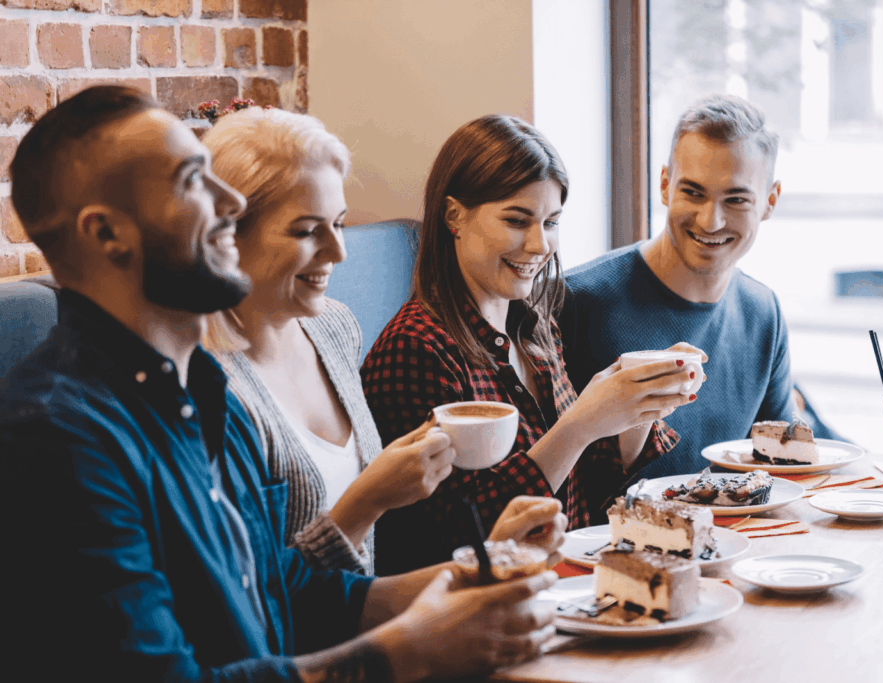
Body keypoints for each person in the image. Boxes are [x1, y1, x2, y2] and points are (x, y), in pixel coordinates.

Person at [0, 85, 559, 682]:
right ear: (107, 235)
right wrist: (409, 650)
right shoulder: (59, 436)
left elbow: (279, 592)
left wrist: (453, 582)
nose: (228, 202)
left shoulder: (207, 395)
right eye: (193, 180)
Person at [200, 107, 559, 576]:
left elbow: (370, 580)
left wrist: (484, 561)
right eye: (308, 231)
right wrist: (368, 501)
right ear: (226, 235)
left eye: (340, 223)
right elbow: (259, 603)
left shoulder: (334, 327)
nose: (339, 252)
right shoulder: (209, 387)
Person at [362, 114, 701, 576]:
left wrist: (640, 404)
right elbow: (456, 539)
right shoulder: (416, 348)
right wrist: (579, 425)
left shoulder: (535, 329)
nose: (541, 245)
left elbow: (583, 488)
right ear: (454, 216)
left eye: (551, 222)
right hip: (483, 608)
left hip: (568, 586)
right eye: (517, 220)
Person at [560, 93, 804, 477]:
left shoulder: (763, 312)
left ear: (769, 202)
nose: (710, 221)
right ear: (664, 186)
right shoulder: (577, 301)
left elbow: (781, 467)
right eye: (692, 192)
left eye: (736, 199)